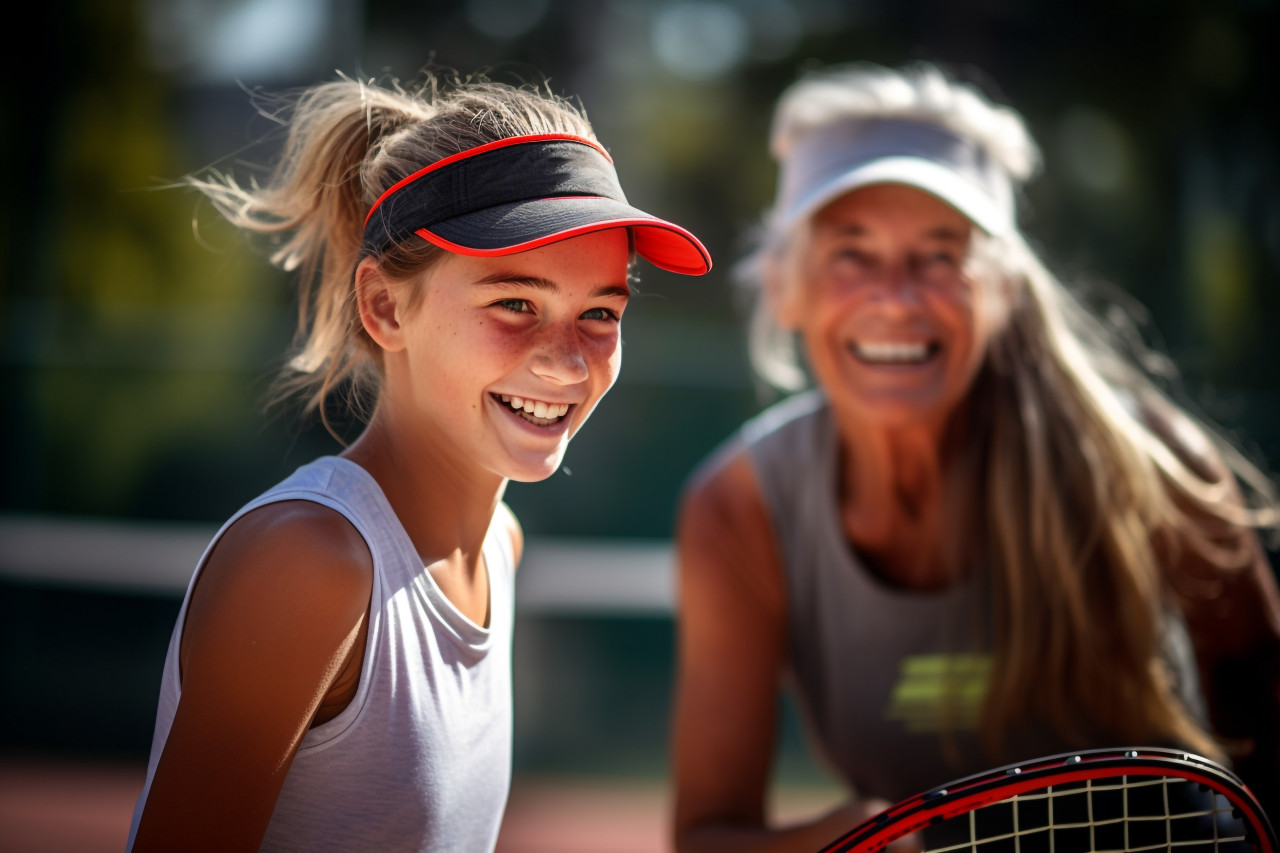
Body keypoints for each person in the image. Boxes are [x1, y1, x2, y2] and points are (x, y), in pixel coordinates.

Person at [671, 61, 1280, 852]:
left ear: (1005, 289)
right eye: (851, 253)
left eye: (939, 253)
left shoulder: (1158, 465)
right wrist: (857, 839)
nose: (895, 295)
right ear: (787, 288)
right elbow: (708, 837)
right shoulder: (736, 510)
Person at [125, 70, 710, 853]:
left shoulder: (501, 545)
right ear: (385, 306)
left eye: (600, 313)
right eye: (515, 303)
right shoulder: (309, 564)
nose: (569, 361)